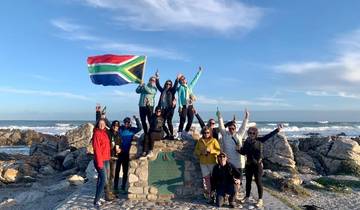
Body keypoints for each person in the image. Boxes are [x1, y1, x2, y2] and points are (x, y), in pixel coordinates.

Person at [239, 124, 283, 208]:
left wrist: (277, 130)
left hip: (257, 165)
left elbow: (269, 135)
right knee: (248, 182)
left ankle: (260, 200)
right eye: (250, 133)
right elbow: (244, 152)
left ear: (256, 134)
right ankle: (247, 197)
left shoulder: (260, 140)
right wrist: (238, 150)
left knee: (258, 182)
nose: (251, 134)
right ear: (248, 133)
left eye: (253, 133)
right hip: (248, 165)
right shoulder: (246, 142)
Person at [217, 109, 249, 198]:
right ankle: (230, 194)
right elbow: (221, 126)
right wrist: (219, 117)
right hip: (229, 163)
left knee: (238, 181)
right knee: (229, 180)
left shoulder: (239, 135)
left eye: (233, 128)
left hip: (239, 163)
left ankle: (235, 195)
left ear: (235, 128)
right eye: (230, 128)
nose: (231, 130)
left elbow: (243, 127)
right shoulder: (225, 135)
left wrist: (246, 117)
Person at [95, 105, 120, 200]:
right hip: (106, 157)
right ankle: (105, 195)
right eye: (114, 126)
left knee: (111, 177)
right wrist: (99, 114)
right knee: (105, 178)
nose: (115, 127)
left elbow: (119, 144)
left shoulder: (118, 134)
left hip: (113, 157)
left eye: (117, 126)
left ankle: (109, 193)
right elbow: (101, 124)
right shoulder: (107, 132)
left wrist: (119, 149)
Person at [114, 115, 142, 193]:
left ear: (130, 123)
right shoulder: (120, 129)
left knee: (125, 171)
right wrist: (102, 116)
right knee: (117, 171)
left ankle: (123, 187)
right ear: (124, 123)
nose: (126, 124)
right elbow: (111, 126)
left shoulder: (132, 130)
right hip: (119, 153)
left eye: (128, 123)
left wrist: (136, 119)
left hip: (127, 153)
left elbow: (140, 128)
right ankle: (115, 187)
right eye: (125, 122)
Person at [194, 126, 220, 202]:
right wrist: (201, 152)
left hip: (212, 162)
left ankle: (216, 194)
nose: (206, 134)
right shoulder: (200, 140)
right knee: (207, 180)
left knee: (214, 179)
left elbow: (219, 151)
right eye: (204, 133)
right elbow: (196, 151)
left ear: (210, 133)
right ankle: (210, 196)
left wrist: (211, 150)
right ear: (202, 133)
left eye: (208, 132)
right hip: (203, 163)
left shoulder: (214, 140)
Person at [177, 67, 203, 137]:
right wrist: (180, 106)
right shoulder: (180, 88)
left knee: (191, 120)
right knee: (182, 119)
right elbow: (179, 97)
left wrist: (199, 72)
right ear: (180, 81)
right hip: (184, 106)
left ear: (185, 80)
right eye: (181, 79)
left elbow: (195, 80)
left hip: (190, 105)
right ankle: (179, 133)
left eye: (184, 78)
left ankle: (185, 132)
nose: (183, 80)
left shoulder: (189, 87)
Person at [155, 71, 181, 140]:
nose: (168, 85)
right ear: (165, 84)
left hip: (170, 109)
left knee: (169, 122)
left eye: (169, 84)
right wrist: (157, 77)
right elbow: (158, 85)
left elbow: (175, 86)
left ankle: (171, 135)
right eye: (167, 84)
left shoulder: (172, 90)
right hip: (162, 109)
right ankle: (168, 134)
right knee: (162, 122)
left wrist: (177, 79)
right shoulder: (163, 90)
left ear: (171, 85)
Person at [92, 119, 111, 207]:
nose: (102, 125)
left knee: (101, 179)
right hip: (100, 160)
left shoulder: (105, 132)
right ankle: (96, 201)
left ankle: (98, 197)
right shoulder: (96, 134)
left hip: (106, 159)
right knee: (103, 180)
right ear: (97, 125)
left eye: (103, 123)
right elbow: (97, 150)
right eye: (100, 124)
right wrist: (99, 163)